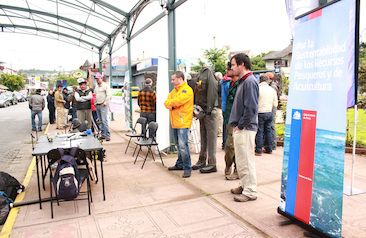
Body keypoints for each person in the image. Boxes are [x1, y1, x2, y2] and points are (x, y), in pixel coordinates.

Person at [229, 53, 259, 202]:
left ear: (241, 64)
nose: (231, 68)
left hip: (245, 128)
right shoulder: (244, 81)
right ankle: (245, 185)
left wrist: (241, 125)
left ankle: (250, 191)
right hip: (242, 127)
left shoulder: (249, 82)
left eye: (233, 64)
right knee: (242, 159)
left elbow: (251, 108)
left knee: (246, 159)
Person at [165, 71, 194, 178]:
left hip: (183, 122)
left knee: (183, 146)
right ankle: (180, 164)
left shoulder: (187, 90)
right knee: (179, 145)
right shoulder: (174, 91)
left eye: (173, 79)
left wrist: (172, 104)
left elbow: (177, 102)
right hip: (176, 122)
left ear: (180, 79)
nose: (172, 81)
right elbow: (167, 103)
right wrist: (173, 104)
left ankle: (187, 167)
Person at [192, 65, 219, 173]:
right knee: (203, 137)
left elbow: (212, 91)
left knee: (211, 139)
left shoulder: (208, 74)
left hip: (209, 111)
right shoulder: (202, 74)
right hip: (203, 110)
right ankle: (202, 160)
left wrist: (209, 108)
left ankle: (212, 163)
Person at [223, 62, 240, 180]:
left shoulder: (241, 84)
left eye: (229, 69)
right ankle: (228, 164)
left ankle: (237, 169)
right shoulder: (229, 84)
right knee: (229, 146)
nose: (227, 71)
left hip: (237, 120)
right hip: (228, 118)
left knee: (234, 146)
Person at [255, 74, 278, 156]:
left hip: (260, 112)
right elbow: (275, 104)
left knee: (259, 131)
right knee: (268, 130)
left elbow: (255, 101)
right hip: (269, 112)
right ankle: (269, 148)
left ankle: (258, 150)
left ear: (260, 80)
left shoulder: (258, 89)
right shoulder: (272, 90)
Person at [266, 72, 282, 150]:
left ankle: (273, 144)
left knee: (271, 125)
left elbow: (273, 99)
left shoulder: (273, 87)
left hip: (272, 107)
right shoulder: (273, 85)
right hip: (271, 106)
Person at [94, 73, 111, 141]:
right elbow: (95, 96)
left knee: (104, 120)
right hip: (97, 105)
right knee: (100, 121)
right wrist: (95, 103)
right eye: (96, 79)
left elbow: (109, 96)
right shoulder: (96, 87)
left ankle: (107, 135)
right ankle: (103, 134)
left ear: (101, 78)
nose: (97, 80)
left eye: (98, 78)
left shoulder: (105, 86)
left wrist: (105, 103)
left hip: (103, 105)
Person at [220, 65, 232, 150]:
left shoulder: (222, 82)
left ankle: (224, 143)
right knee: (228, 126)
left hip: (223, 105)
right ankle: (227, 144)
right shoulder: (229, 84)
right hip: (228, 106)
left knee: (225, 125)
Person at [214, 72, 223, 137]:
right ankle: (219, 131)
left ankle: (218, 131)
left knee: (218, 118)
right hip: (220, 104)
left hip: (218, 104)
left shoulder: (218, 85)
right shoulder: (221, 84)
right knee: (219, 118)